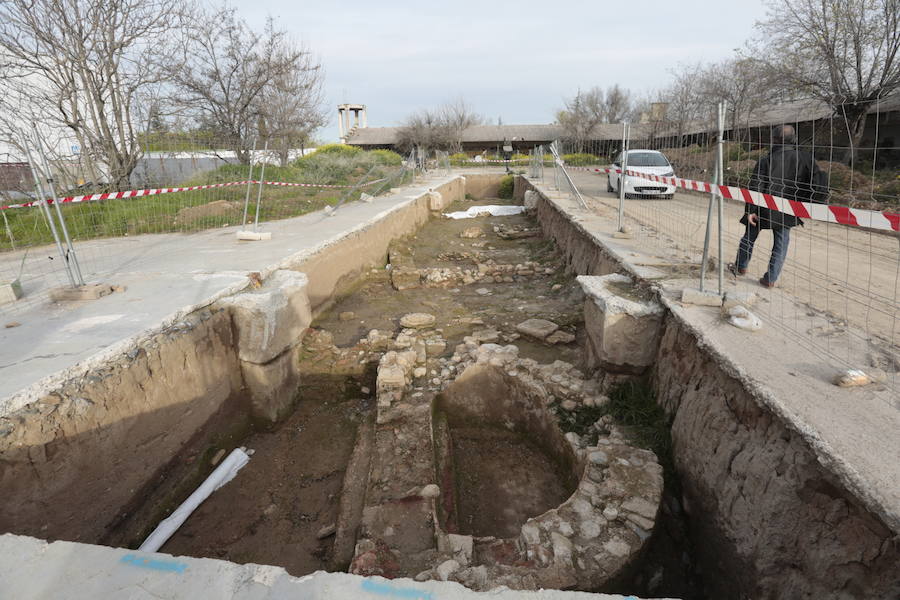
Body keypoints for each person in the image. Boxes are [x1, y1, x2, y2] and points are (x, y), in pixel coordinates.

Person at [729, 124, 826, 288]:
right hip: (788, 209)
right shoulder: (806, 159)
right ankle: (770, 279)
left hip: (762, 208)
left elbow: (756, 186)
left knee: (749, 237)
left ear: (774, 140)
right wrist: (809, 203)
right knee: (781, 245)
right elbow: (818, 183)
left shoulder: (765, 160)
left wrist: (750, 211)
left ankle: (741, 267)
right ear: (793, 140)